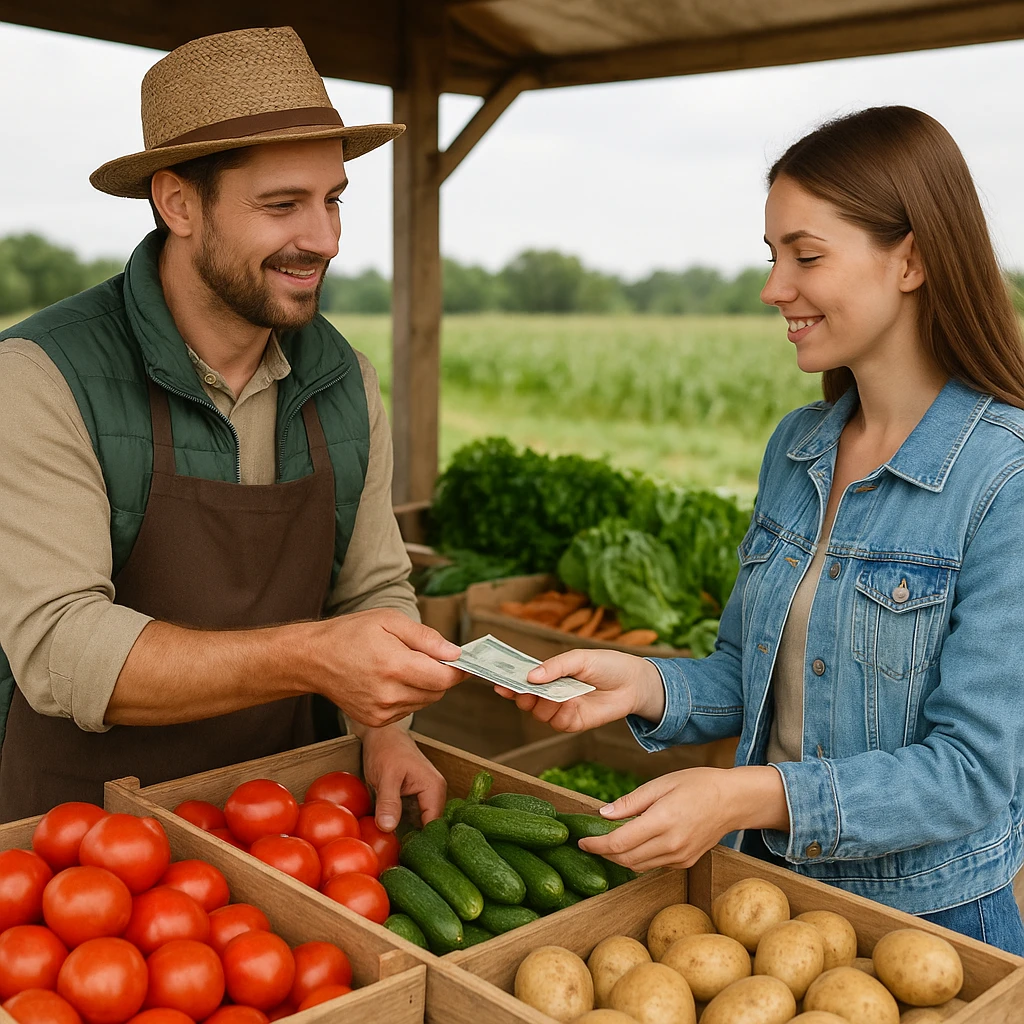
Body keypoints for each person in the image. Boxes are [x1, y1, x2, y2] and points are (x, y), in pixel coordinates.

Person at [498, 106, 1024, 954]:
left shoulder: (1006, 477)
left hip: (931, 930)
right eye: (773, 255)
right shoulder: (798, 447)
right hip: (770, 902)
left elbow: (971, 775)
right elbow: (756, 680)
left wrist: (743, 797)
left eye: (805, 256)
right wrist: (645, 685)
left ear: (913, 259)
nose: (774, 287)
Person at [0, 26, 465, 824]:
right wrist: (314, 656)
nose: (323, 239)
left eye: (332, 199)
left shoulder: (346, 381)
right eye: (283, 205)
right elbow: (60, 650)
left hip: (278, 819)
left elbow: (375, 589)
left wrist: (386, 730)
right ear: (178, 202)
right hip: (85, 847)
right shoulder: (40, 376)